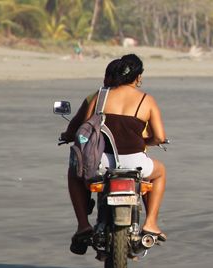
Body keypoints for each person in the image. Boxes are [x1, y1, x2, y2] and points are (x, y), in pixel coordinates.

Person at [61, 54, 168, 255]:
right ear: (138, 78)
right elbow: (160, 137)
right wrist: (146, 142)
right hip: (136, 163)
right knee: (160, 172)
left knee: (75, 173)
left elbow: (85, 130)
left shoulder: (100, 96)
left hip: (101, 163)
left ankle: (83, 225)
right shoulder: (146, 100)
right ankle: (151, 223)